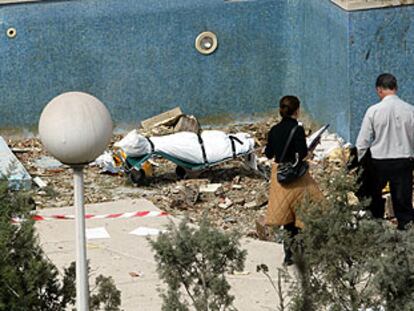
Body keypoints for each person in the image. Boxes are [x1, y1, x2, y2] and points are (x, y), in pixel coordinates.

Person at [264, 95, 323, 265]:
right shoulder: (297, 130)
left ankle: (288, 256)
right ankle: (301, 254)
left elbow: (269, 154)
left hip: (280, 178)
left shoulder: (274, 130)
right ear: (297, 111)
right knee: (300, 215)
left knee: (286, 218)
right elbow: (303, 153)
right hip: (296, 177)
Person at [356, 73, 414, 230]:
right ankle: (406, 240)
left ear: (379, 90)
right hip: (404, 161)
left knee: (374, 201)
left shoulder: (373, 111)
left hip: (378, 162)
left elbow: (362, 142)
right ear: (396, 88)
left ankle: (376, 234)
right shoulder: (410, 110)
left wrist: (360, 162)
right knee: (403, 204)